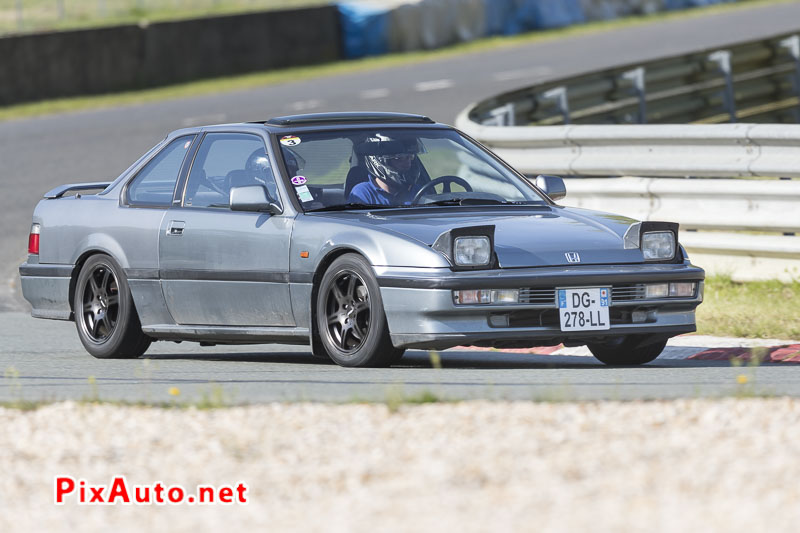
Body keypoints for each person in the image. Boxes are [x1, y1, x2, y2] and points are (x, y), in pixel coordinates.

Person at [348, 134, 423, 205]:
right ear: (378, 160)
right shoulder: (363, 193)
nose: (408, 163)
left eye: (409, 157)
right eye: (399, 158)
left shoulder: (417, 191)